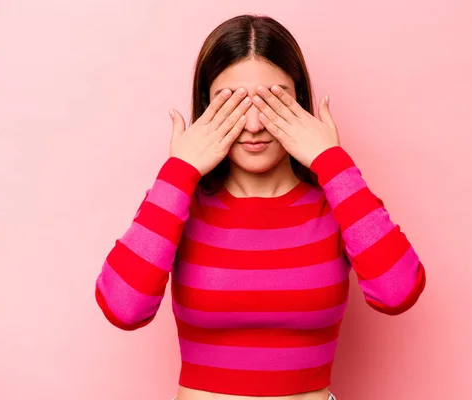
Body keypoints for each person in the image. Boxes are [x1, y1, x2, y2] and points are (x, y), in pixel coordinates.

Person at [94, 14, 426, 400]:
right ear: (205, 108)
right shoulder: (179, 204)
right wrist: (179, 171)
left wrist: (331, 160)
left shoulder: (340, 202)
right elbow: (123, 308)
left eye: (272, 101)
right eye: (231, 104)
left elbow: (398, 292)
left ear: (299, 102)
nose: (253, 124)